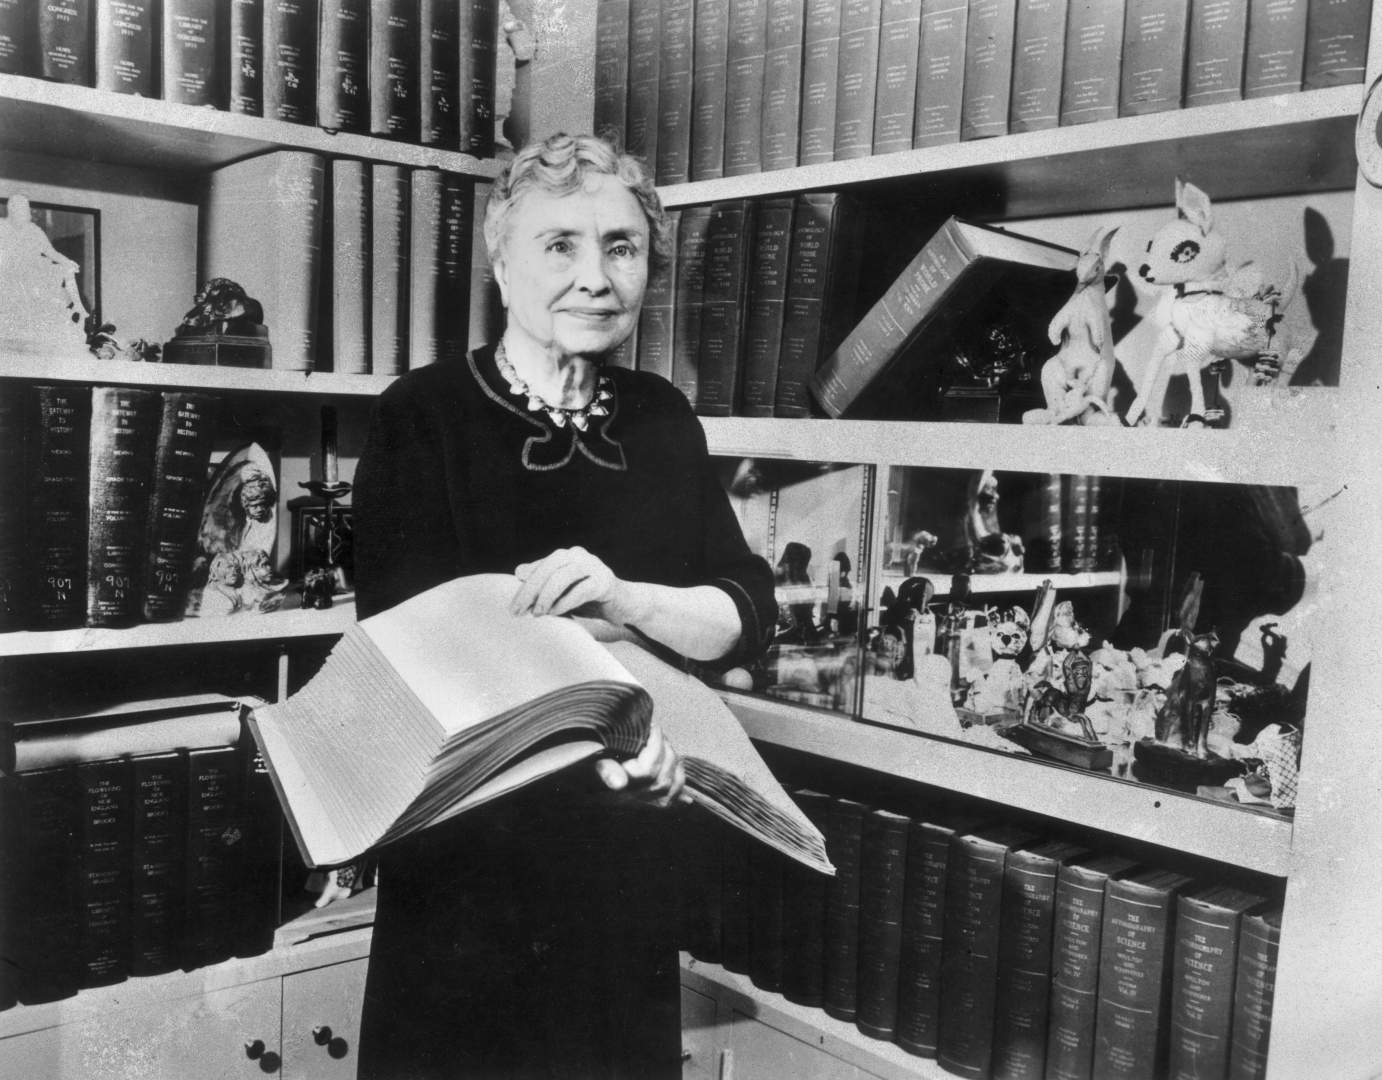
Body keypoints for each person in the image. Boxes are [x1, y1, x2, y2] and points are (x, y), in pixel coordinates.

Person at [347, 133, 776, 1079]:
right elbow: (410, 642)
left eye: (621, 247)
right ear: (501, 262)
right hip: (468, 871)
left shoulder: (663, 417)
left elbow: (744, 608)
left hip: (621, 871)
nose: (596, 276)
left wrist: (627, 599)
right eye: (561, 246)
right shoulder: (422, 415)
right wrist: (618, 729)